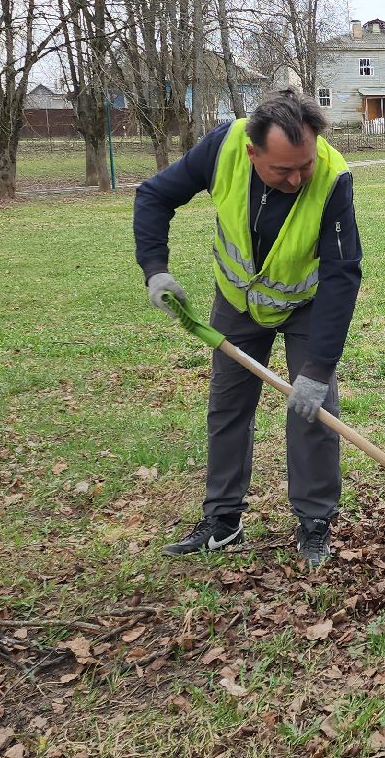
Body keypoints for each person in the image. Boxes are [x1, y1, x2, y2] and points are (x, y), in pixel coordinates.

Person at [133, 88, 362, 568]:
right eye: (283, 170)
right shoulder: (223, 149)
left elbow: (342, 273)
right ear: (253, 152)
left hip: (305, 303)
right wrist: (155, 267)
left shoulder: (334, 177)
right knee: (229, 404)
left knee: (312, 411)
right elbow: (154, 195)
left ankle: (315, 523)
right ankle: (222, 520)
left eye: (305, 165)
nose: (298, 179)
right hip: (238, 301)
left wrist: (318, 368)